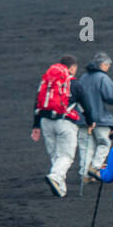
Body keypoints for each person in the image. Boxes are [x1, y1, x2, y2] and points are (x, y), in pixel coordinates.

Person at [31, 54, 81, 196]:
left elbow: (37, 103)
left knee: (55, 155)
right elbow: (86, 104)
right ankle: (55, 177)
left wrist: (36, 126)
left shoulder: (47, 81)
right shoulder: (74, 83)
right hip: (64, 122)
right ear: (73, 67)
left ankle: (60, 188)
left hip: (45, 121)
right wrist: (90, 122)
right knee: (66, 156)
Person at [75, 53, 113, 181]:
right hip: (99, 120)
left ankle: (84, 174)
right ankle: (95, 168)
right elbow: (112, 97)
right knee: (104, 143)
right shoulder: (102, 78)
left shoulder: (83, 78)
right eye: (108, 65)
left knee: (86, 146)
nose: (108, 67)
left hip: (82, 119)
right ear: (103, 64)